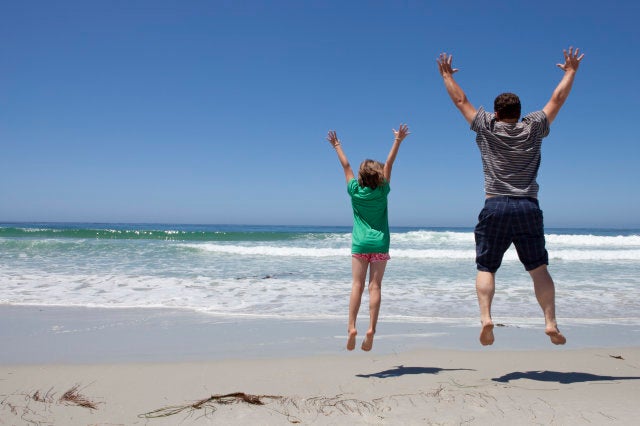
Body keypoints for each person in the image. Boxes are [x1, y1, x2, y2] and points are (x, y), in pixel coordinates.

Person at [436, 47, 585, 346]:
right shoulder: (532, 128)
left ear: (496, 112)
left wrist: (446, 75)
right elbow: (557, 100)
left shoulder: (486, 126)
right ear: (519, 112)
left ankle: (486, 317)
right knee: (538, 269)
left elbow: (461, 100)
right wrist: (570, 71)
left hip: (495, 205)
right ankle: (550, 322)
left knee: (486, 267)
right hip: (528, 205)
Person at [327, 124, 410, 351]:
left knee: (357, 285)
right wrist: (398, 140)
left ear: (361, 176)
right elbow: (390, 163)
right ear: (380, 175)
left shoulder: (354, 190)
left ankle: (351, 326)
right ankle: (371, 328)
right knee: (375, 286)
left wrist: (337, 145)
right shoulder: (383, 191)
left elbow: (346, 165)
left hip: (360, 244)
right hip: (381, 243)